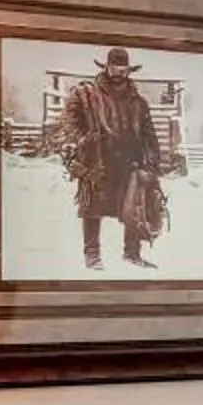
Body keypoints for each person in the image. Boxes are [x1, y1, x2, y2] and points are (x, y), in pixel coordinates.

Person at [48, 46, 162, 270]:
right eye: (114, 67)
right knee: (92, 207)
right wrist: (84, 138)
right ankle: (92, 256)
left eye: (123, 68)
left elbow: (149, 134)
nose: (119, 72)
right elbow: (68, 122)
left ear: (129, 70)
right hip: (98, 159)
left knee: (134, 207)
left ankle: (132, 254)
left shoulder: (139, 102)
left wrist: (153, 160)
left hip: (130, 162)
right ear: (107, 67)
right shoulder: (88, 95)